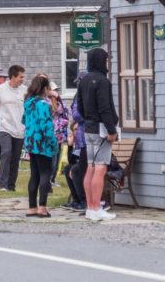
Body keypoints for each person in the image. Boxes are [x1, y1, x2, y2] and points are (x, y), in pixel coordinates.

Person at [76, 48, 118, 221]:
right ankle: (95, 208)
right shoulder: (103, 81)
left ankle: (89, 207)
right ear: (101, 60)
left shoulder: (83, 80)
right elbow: (105, 107)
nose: (107, 63)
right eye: (106, 60)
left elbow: (79, 107)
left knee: (91, 167)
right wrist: (111, 130)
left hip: (88, 128)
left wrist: (88, 119)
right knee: (100, 168)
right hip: (102, 129)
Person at [22, 75, 57, 217]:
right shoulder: (43, 105)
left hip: (30, 143)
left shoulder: (28, 103)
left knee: (34, 174)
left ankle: (31, 207)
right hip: (43, 144)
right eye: (48, 88)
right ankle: (42, 207)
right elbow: (46, 126)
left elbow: (23, 120)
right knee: (45, 174)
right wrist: (53, 143)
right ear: (44, 89)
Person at [0, 64, 26, 191]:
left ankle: (11, 185)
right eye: (21, 77)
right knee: (6, 152)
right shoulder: (0, 89)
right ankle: (3, 185)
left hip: (19, 129)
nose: (23, 79)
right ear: (13, 77)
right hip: (4, 127)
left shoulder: (24, 90)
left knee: (15, 158)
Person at [64, 71, 88, 211]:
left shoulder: (86, 97)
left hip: (90, 146)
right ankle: (77, 200)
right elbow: (72, 158)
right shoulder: (77, 97)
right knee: (69, 168)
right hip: (81, 148)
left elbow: (78, 114)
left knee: (77, 170)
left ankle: (85, 201)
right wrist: (70, 144)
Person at [48, 81, 69, 187]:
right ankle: (49, 179)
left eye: (57, 90)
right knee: (52, 158)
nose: (56, 92)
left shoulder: (60, 102)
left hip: (59, 135)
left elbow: (66, 112)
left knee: (57, 159)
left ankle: (53, 179)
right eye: (54, 90)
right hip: (51, 135)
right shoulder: (47, 102)